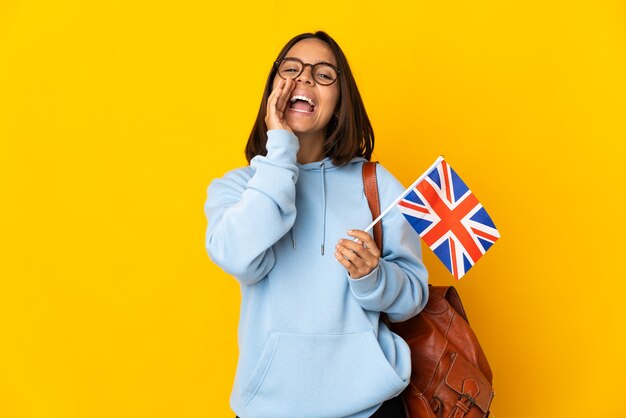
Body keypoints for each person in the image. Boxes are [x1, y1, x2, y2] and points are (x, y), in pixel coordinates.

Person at [204, 31, 429, 418]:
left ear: (340, 102)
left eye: (324, 74)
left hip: (371, 406)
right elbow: (239, 259)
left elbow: (413, 298)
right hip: (268, 408)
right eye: (291, 69)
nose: (305, 78)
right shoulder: (237, 188)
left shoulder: (375, 184)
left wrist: (374, 277)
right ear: (273, 90)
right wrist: (280, 151)